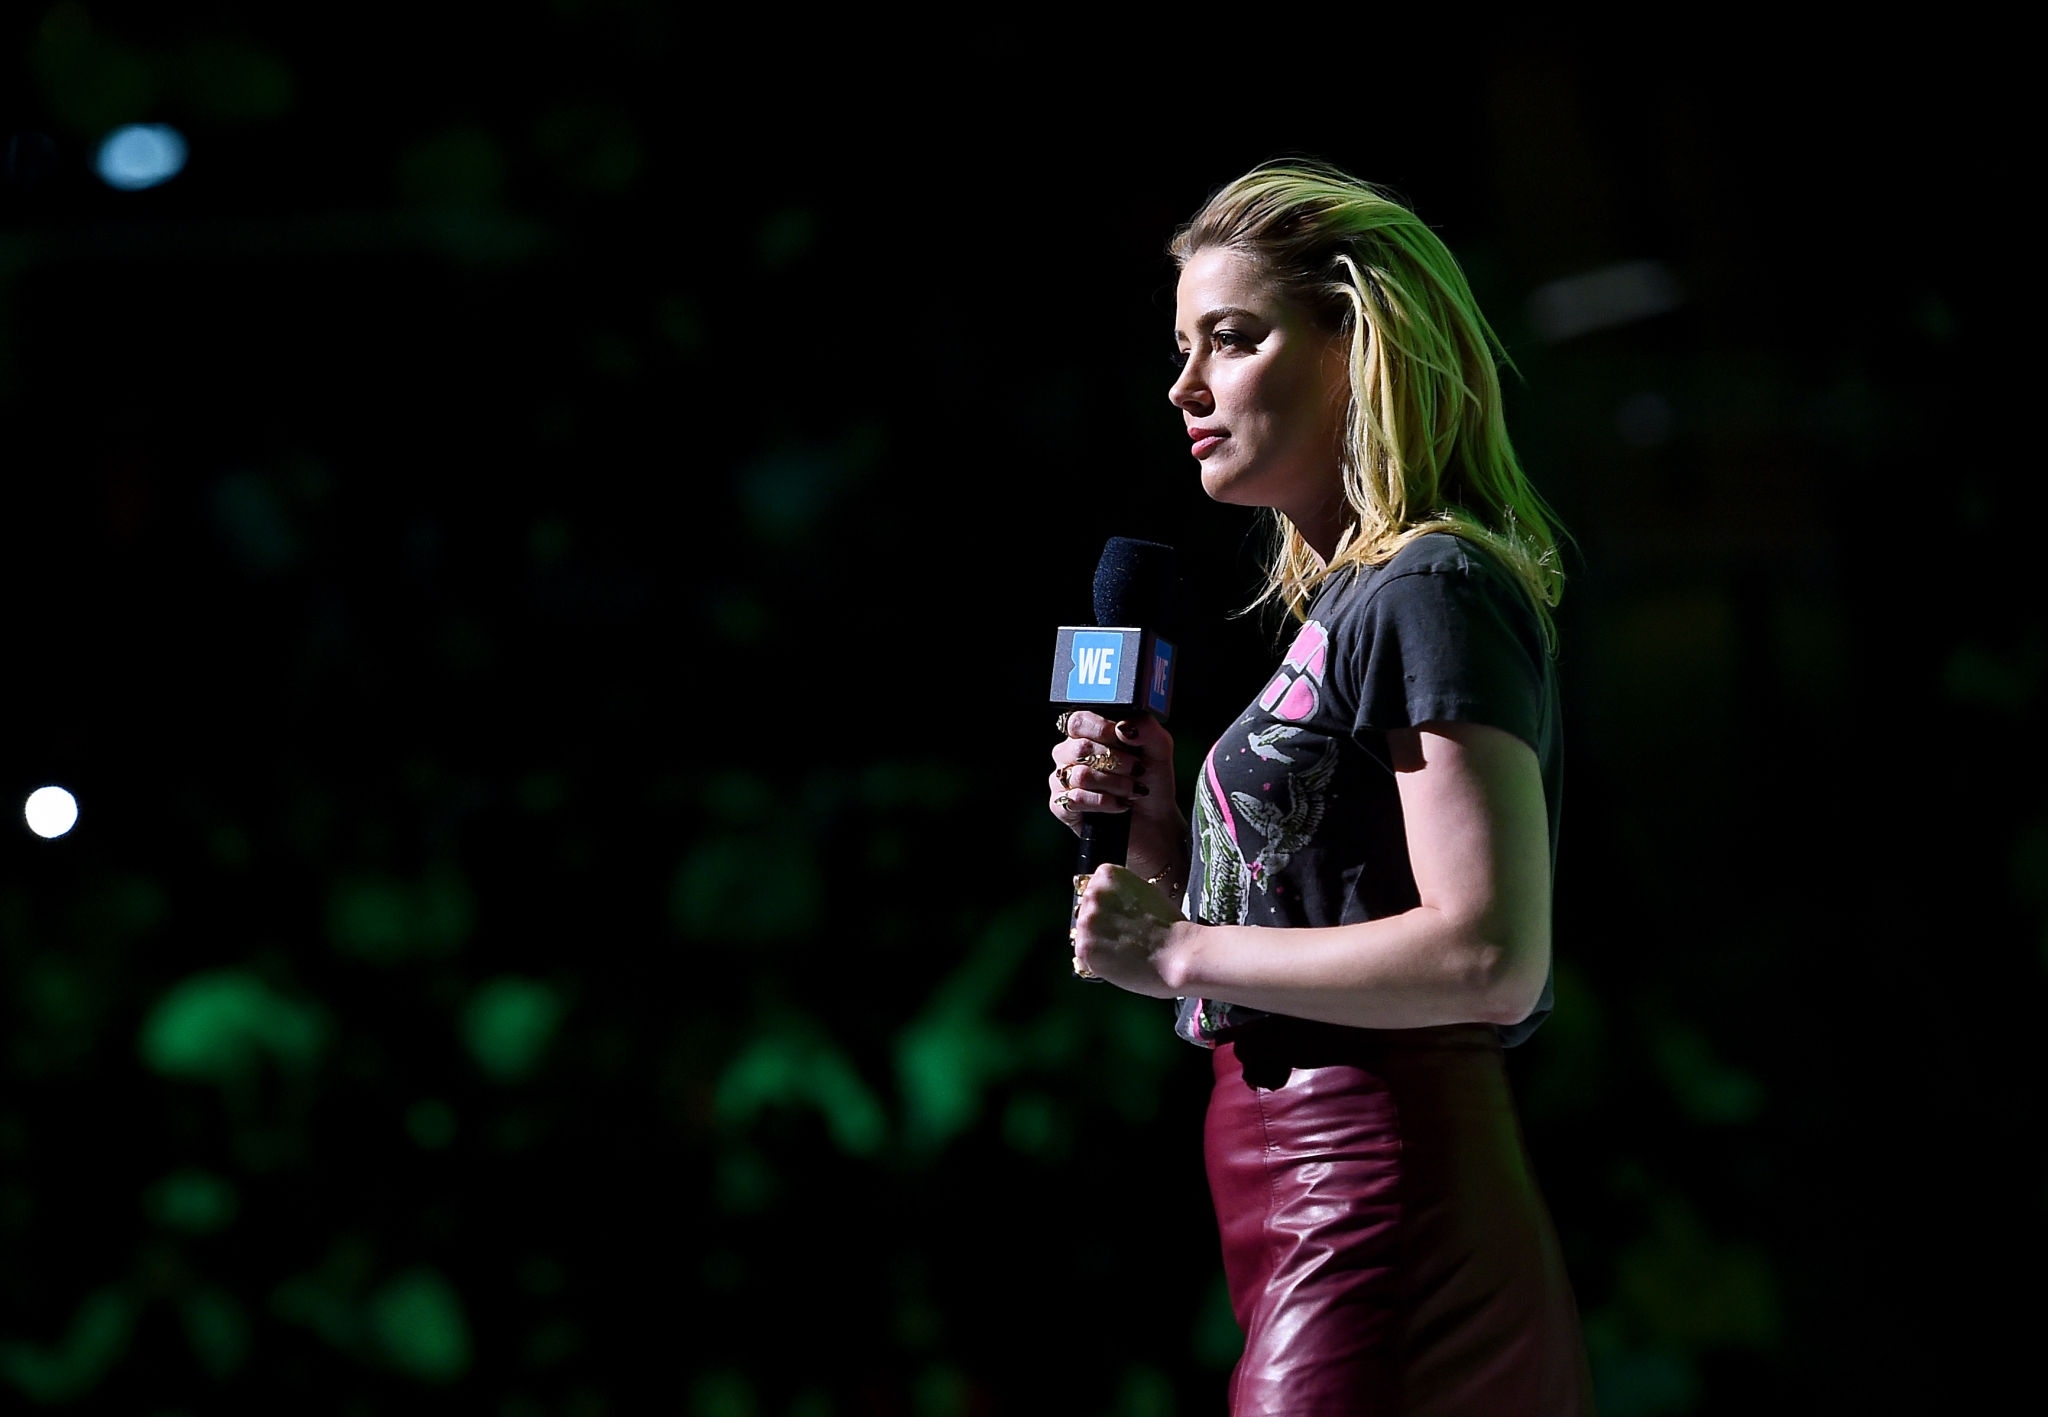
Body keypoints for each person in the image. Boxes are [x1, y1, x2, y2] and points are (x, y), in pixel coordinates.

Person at [1049, 161, 1592, 1414]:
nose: (1183, 386)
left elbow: (1489, 954)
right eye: (1182, 347)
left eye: (1231, 341)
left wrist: (1181, 948)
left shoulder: (1431, 584)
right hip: (1302, 1200)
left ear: (1362, 343)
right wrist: (1150, 822)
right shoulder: (1351, 602)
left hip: (1382, 1199)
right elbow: (1281, 938)